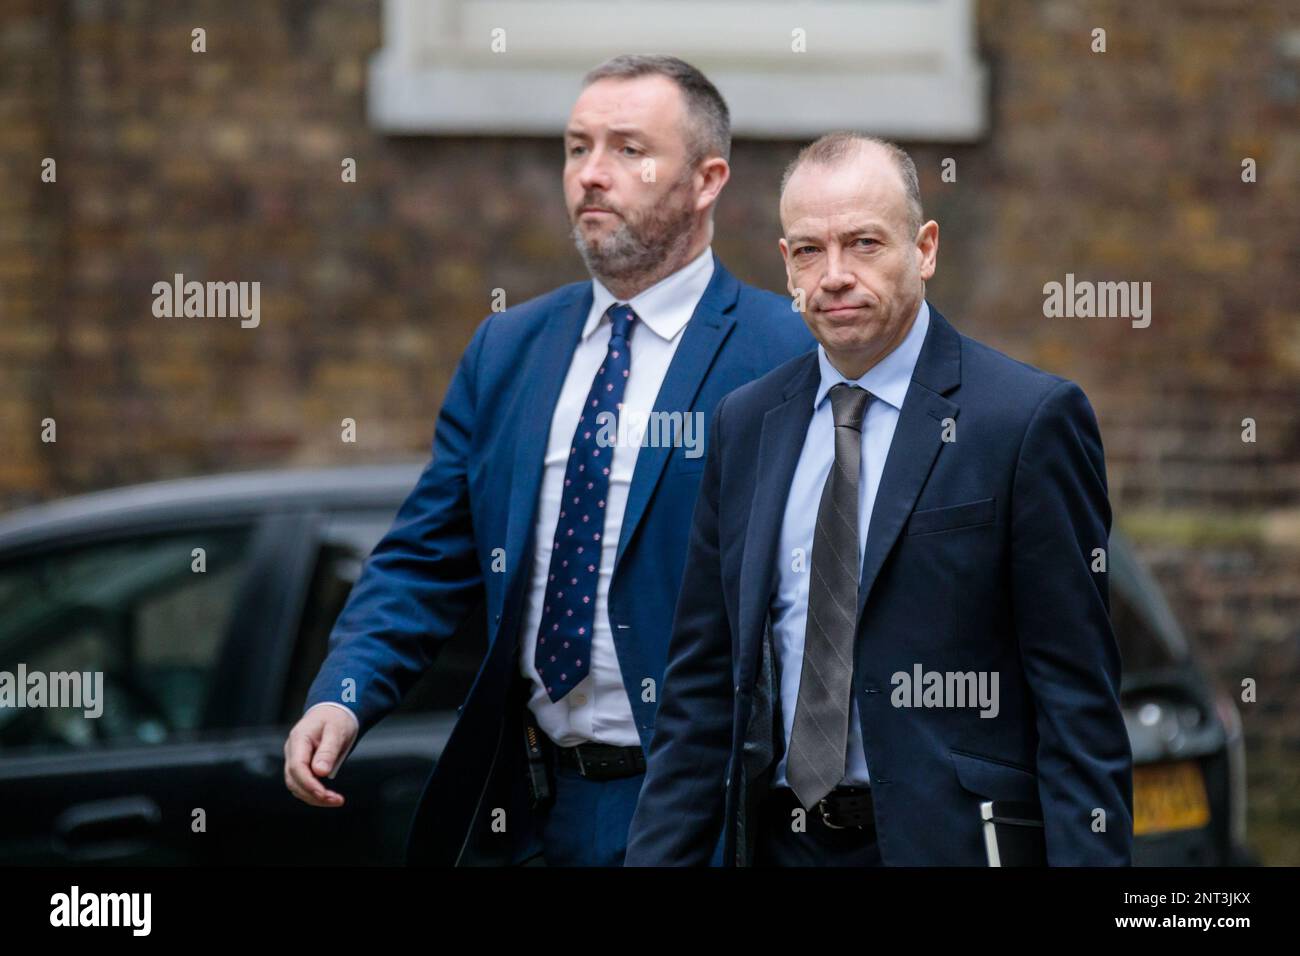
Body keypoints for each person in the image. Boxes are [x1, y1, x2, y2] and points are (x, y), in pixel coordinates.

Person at [282, 55, 814, 866]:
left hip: (703, 814)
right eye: (576, 148)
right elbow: (429, 556)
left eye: (629, 150)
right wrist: (345, 694)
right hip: (527, 805)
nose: (593, 175)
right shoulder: (509, 349)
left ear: (708, 180)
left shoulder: (785, 352)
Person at [625, 132, 1133, 866]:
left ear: (924, 249)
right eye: (808, 251)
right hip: (780, 846)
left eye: (864, 243)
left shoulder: (1023, 422)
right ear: (786, 265)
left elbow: (1077, 704)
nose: (834, 276)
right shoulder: (746, 425)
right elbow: (701, 693)